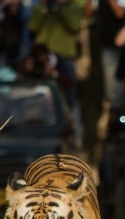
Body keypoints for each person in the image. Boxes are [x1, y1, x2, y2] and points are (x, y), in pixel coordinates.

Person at [28, 0, 90, 149]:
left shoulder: (74, 7)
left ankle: (74, 137)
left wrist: (62, 7)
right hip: (41, 54)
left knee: (69, 98)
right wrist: (43, 6)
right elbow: (32, 26)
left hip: (64, 58)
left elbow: (75, 26)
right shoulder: (44, 6)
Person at [97, 0, 125, 111]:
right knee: (112, 92)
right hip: (107, 43)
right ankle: (115, 119)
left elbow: (120, 13)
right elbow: (87, 14)